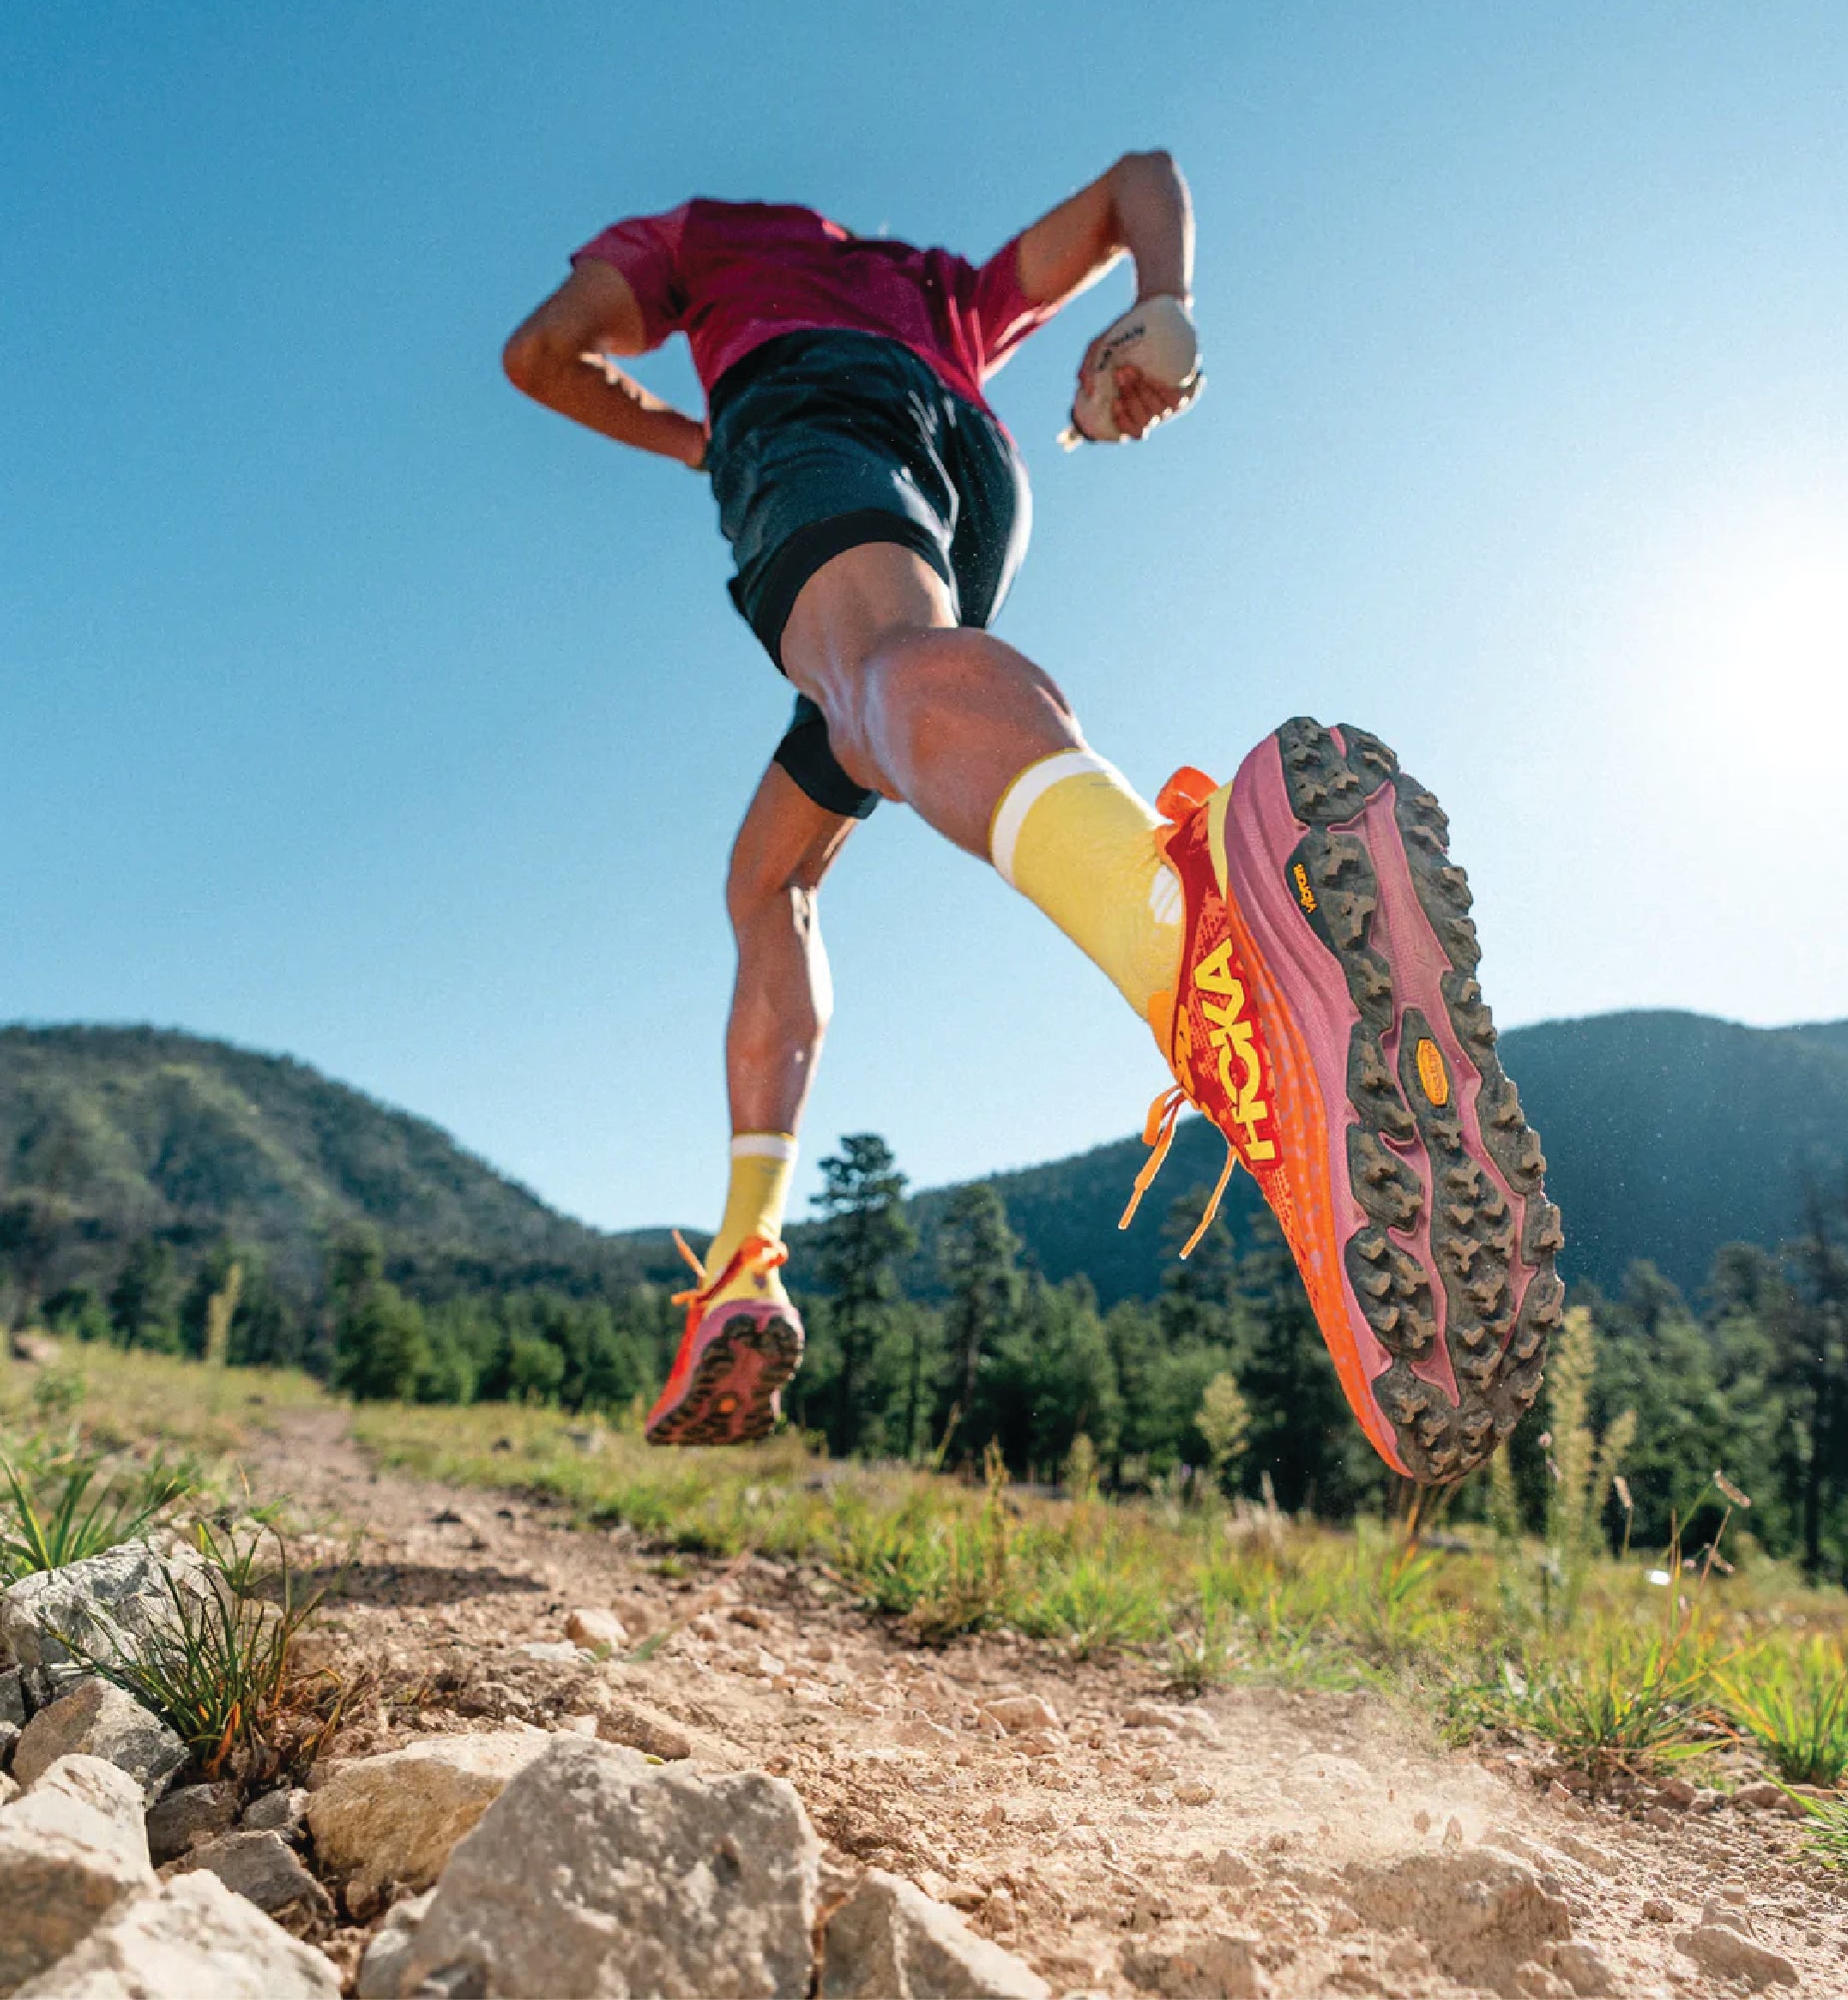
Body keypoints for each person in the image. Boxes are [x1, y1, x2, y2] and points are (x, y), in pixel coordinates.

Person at [502, 151, 1563, 1483]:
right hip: (971, 473)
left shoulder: (709, 235)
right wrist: (1164, 310)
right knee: (772, 872)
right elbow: (1141, 182)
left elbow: (543, 352)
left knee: (879, 673)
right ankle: (743, 1263)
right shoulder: (938, 287)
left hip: (808, 416)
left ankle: (1197, 959)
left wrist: (703, 435)